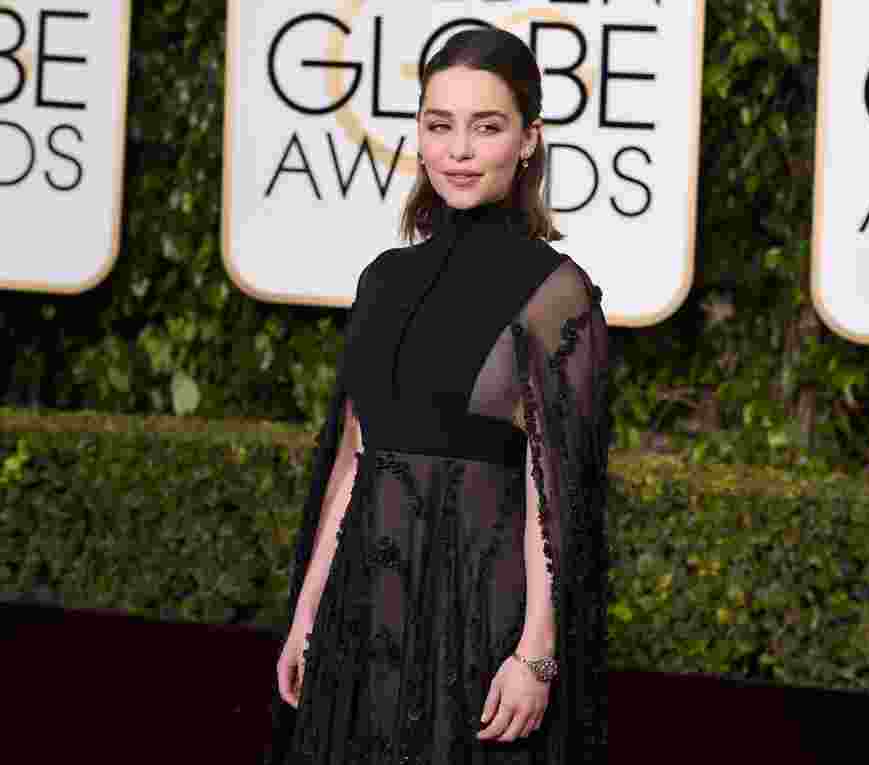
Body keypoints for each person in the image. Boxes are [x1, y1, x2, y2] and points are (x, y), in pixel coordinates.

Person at [265, 26, 611, 764]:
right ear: (418, 135)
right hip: (364, 611)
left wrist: (537, 654)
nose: (458, 149)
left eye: (486, 127)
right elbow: (356, 459)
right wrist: (306, 612)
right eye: (438, 124)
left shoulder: (555, 292)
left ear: (528, 140)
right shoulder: (382, 280)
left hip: (476, 625)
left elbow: (557, 490)